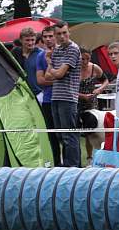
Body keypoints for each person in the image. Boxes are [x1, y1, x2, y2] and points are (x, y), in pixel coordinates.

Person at [44, 20, 82, 167]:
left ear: (69, 32)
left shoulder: (73, 49)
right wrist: (53, 68)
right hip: (56, 97)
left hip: (68, 98)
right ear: (54, 35)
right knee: (60, 134)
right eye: (58, 34)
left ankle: (72, 166)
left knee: (69, 135)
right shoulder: (57, 50)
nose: (62, 36)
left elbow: (58, 74)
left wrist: (53, 68)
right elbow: (48, 76)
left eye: (64, 33)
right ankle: (68, 164)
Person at [35, 25, 60, 165]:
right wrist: (58, 79)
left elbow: (50, 77)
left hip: (64, 99)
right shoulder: (40, 56)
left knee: (67, 134)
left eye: (51, 36)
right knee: (52, 136)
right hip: (47, 100)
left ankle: (72, 165)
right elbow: (40, 80)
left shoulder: (64, 52)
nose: (48, 39)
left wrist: (54, 78)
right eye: (45, 36)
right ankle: (57, 163)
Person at [13, 27, 44, 97]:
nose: (30, 43)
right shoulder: (15, 52)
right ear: (21, 40)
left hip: (39, 94)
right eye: (27, 40)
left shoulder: (41, 54)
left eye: (32, 40)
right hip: (21, 94)